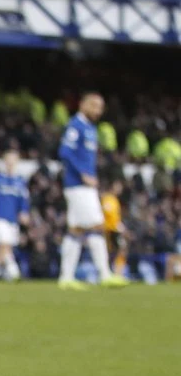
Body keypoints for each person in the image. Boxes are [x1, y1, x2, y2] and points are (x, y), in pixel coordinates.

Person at [57, 92, 128, 290]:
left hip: (83, 186)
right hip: (78, 185)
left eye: (100, 107)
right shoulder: (76, 125)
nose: (98, 110)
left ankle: (66, 277)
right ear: (83, 105)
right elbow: (65, 151)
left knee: (76, 230)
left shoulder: (90, 128)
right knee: (97, 226)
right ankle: (104, 274)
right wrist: (83, 173)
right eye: (94, 105)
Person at [0, 147, 30, 282]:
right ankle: (13, 271)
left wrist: (24, 212)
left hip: (12, 218)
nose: (10, 163)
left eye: (13, 160)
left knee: (1, 247)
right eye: (8, 160)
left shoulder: (20, 181)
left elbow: (24, 199)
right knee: (4, 243)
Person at [101, 178, 127, 277]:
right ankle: (113, 273)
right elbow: (108, 215)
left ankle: (117, 273)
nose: (120, 188)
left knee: (120, 250)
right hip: (109, 229)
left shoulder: (114, 199)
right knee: (115, 251)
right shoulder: (108, 198)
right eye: (118, 186)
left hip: (114, 229)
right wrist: (119, 227)